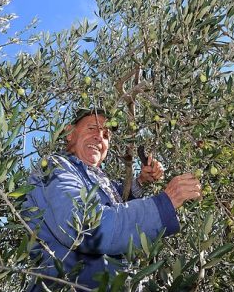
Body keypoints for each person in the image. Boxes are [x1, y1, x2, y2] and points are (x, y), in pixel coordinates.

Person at [23, 108, 201, 290]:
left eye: (106, 135)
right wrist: (164, 204)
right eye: (92, 128)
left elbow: (115, 203)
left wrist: (140, 181)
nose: (99, 137)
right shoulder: (55, 168)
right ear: (69, 133)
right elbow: (86, 226)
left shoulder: (97, 180)